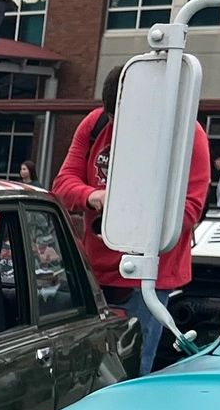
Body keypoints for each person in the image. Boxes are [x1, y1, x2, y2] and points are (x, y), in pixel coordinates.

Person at [53, 70, 210, 374]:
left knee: (131, 369)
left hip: (147, 279)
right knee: (82, 371)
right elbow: (63, 184)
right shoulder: (95, 124)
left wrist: (130, 209)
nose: (120, 128)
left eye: (129, 120)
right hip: (95, 274)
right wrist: (94, 196)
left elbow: (190, 211)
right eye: (114, 118)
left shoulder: (188, 135)